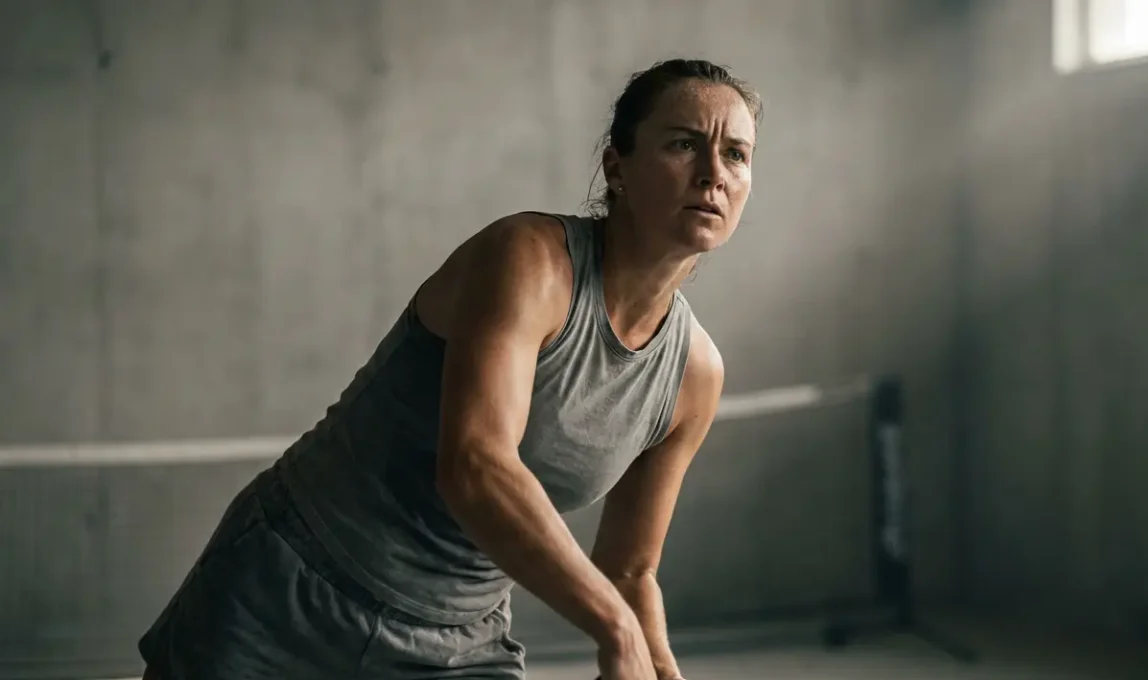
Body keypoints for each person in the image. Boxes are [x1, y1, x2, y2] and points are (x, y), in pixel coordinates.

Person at [138, 57, 763, 680]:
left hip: (455, 644)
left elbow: (629, 571)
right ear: (616, 166)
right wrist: (615, 627)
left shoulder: (694, 375)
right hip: (288, 590)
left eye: (736, 155)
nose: (713, 174)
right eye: (684, 143)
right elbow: (474, 466)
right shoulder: (530, 262)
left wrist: (659, 666)